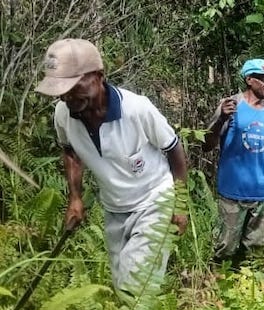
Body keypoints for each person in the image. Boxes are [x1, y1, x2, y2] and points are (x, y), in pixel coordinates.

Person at [34, 38, 188, 293]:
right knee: (121, 285)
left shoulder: (136, 109)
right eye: (60, 90)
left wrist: (180, 205)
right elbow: (70, 151)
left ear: (99, 76)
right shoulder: (63, 114)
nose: (67, 96)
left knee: (135, 286)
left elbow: (174, 150)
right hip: (114, 208)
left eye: (73, 86)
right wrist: (75, 198)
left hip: (154, 200)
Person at [204, 58, 264, 266]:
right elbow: (206, 144)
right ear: (249, 80)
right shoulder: (231, 106)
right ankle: (216, 291)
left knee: (255, 255)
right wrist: (221, 120)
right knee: (223, 249)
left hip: (263, 194)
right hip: (232, 193)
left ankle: (246, 293)